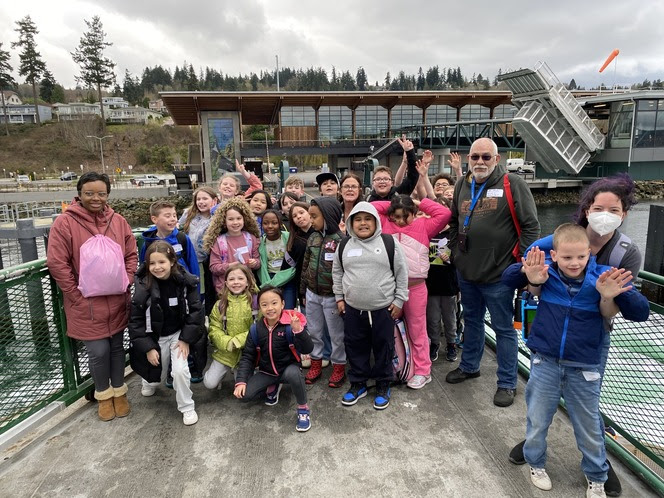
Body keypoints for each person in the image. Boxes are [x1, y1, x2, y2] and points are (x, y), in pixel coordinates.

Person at [506, 173, 642, 496]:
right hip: (548, 348)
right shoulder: (558, 242)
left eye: (614, 209)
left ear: (624, 214)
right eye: (599, 207)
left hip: (591, 342)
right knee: (540, 406)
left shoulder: (621, 257)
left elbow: (631, 310)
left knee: (587, 411)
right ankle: (534, 453)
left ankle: (598, 469)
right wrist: (530, 275)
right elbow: (515, 275)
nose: (574, 261)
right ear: (586, 208)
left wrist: (611, 294)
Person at [446, 137, 540, 408]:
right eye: (475, 157)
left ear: (497, 159)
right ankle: (469, 366)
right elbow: (454, 221)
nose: (480, 162)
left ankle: (507, 382)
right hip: (467, 271)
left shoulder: (513, 184)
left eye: (486, 157)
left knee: (503, 329)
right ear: (468, 159)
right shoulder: (463, 184)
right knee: (472, 321)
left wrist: (521, 266)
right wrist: (455, 252)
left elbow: (531, 227)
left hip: (500, 274)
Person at [47, 172, 137, 421]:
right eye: (89, 193)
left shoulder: (117, 220)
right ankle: (103, 395)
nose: (95, 198)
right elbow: (57, 262)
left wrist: (127, 279)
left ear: (107, 194)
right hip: (86, 302)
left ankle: (120, 392)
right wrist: (75, 295)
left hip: (117, 298)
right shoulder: (65, 223)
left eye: (101, 193)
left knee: (118, 348)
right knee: (98, 351)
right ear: (79, 194)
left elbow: (131, 253)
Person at [333, 202, 409, 410]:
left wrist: (399, 300)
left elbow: (402, 274)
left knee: (384, 347)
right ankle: (358, 384)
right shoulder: (344, 245)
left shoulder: (389, 243)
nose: (363, 223)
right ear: (350, 223)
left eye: (368, 219)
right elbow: (338, 273)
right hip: (352, 309)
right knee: (355, 347)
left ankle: (383, 384)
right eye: (358, 219)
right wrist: (339, 298)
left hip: (383, 309)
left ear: (376, 221)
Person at [373, 194, 450, 389]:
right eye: (395, 216)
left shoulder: (425, 225)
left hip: (416, 287)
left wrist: (417, 202)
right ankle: (399, 366)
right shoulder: (384, 224)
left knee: (417, 330)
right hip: (390, 289)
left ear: (414, 213)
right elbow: (370, 206)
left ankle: (423, 370)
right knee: (391, 330)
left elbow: (445, 212)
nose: (399, 220)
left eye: (404, 216)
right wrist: (394, 203)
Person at [129, 241, 204, 425]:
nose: (157, 267)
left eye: (161, 262)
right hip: (155, 336)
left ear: (171, 261)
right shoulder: (142, 285)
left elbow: (195, 312)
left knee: (180, 371)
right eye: (152, 263)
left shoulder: (185, 282)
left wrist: (186, 339)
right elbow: (136, 321)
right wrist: (148, 347)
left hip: (178, 333)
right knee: (156, 377)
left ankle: (187, 407)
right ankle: (149, 381)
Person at [234, 286, 314, 432]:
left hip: (287, 371)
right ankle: (273, 386)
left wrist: (299, 331)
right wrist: (241, 381)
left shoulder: (290, 325)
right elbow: (248, 357)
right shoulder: (255, 329)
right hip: (267, 372)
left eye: (274, 303)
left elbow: (308, 349)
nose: (270, 308)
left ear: (282, 304)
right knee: (244, 396)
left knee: (294, 373)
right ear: (259, 307)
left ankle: (303, 408)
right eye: (264, 305)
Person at [301, 196, 346, 387]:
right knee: (314, 332)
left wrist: (342, 297)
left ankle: (339, 366)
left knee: (336, 335)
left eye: (314, 216)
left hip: (332, 298)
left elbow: (345, 271)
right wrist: (302, 290)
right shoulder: (313, 237)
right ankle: (316, 362)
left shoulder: (341, 241)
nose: (310, 220)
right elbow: (305, 265)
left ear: (328, 216)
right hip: (312, 294)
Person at [204, 263, 258, 390]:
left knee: (243, 388)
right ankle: (220, 374)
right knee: (209, 384)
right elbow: (214, 328)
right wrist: (227, 342)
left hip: (246, 353)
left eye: (240, 278)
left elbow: (259, 327)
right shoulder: (220, 304)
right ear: (226, 283)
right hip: (225, 352)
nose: (236, 282)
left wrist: (238, 341)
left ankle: (249, 372)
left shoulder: (255, 303)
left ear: (247, 282)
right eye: (232, 279)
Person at [425, 196, 459, 362]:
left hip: (449, 284)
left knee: (450, 316)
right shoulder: (427, 231)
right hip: (430, 284)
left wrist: (451, 259)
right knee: (432, 318)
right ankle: (434, 343)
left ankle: (452, 343)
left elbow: (461, 259)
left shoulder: (453, 234)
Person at [204, 198, 261, 294]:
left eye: (239, 218)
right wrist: (230, 266)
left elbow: (258, 262)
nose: (235, 222)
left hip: (247, 288)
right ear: (224, 221)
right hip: (225, 290)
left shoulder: (251, 239)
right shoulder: (219, 242)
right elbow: (214, 267)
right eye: (231, 219)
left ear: (244, 219)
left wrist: (254, 263)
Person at [140, 200, 199, 278]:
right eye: (167, 216)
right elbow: (143, 269)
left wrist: (195, 287)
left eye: (174, 215)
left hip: (181, 286)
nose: (173, 219)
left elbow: (193, 265)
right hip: (158, 287)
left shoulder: (182, 239)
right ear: (154, 219)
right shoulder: (148, 243)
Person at [258, 209, 296, 309]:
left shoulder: (289, 238)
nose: (270, 226)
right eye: (265, 223)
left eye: (274, 223)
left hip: (288, 278)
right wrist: (269, 284)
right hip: (269, 278)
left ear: (280, 223)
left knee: (287, 309)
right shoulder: (260, 242)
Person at [366, 137, 419, 202]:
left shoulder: (399, 194)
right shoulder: (367, 199)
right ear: (373, 183)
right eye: (378, 179)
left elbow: (413, 175)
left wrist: (410, 152)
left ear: (392, 183)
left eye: (386, 179)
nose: (382, 182)